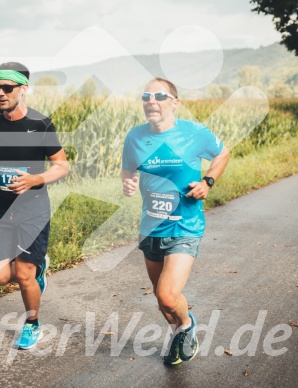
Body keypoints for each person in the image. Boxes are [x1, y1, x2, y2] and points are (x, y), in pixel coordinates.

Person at [121, 78, 230, 366]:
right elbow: (128, 170)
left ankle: (187, 326)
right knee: (161, 299)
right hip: (150, 228)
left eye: (159, 95)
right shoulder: (135, 137)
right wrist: (128, 183)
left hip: (185, 226)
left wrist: (208, 181)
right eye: (146, 96)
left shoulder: (193, 132)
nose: (151, 101)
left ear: (174, 102)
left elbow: (223, 153)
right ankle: (178, 332)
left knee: (168, 296)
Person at [0, 62, 69, 349]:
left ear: (23, 89)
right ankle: (38, 269)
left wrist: (35, 179)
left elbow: (62, 166)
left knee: (25, 273)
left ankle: (32, 324)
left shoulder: (40, 124)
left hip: (33, 210)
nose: (1, 93)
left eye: (8, 88)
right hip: (2, 209)